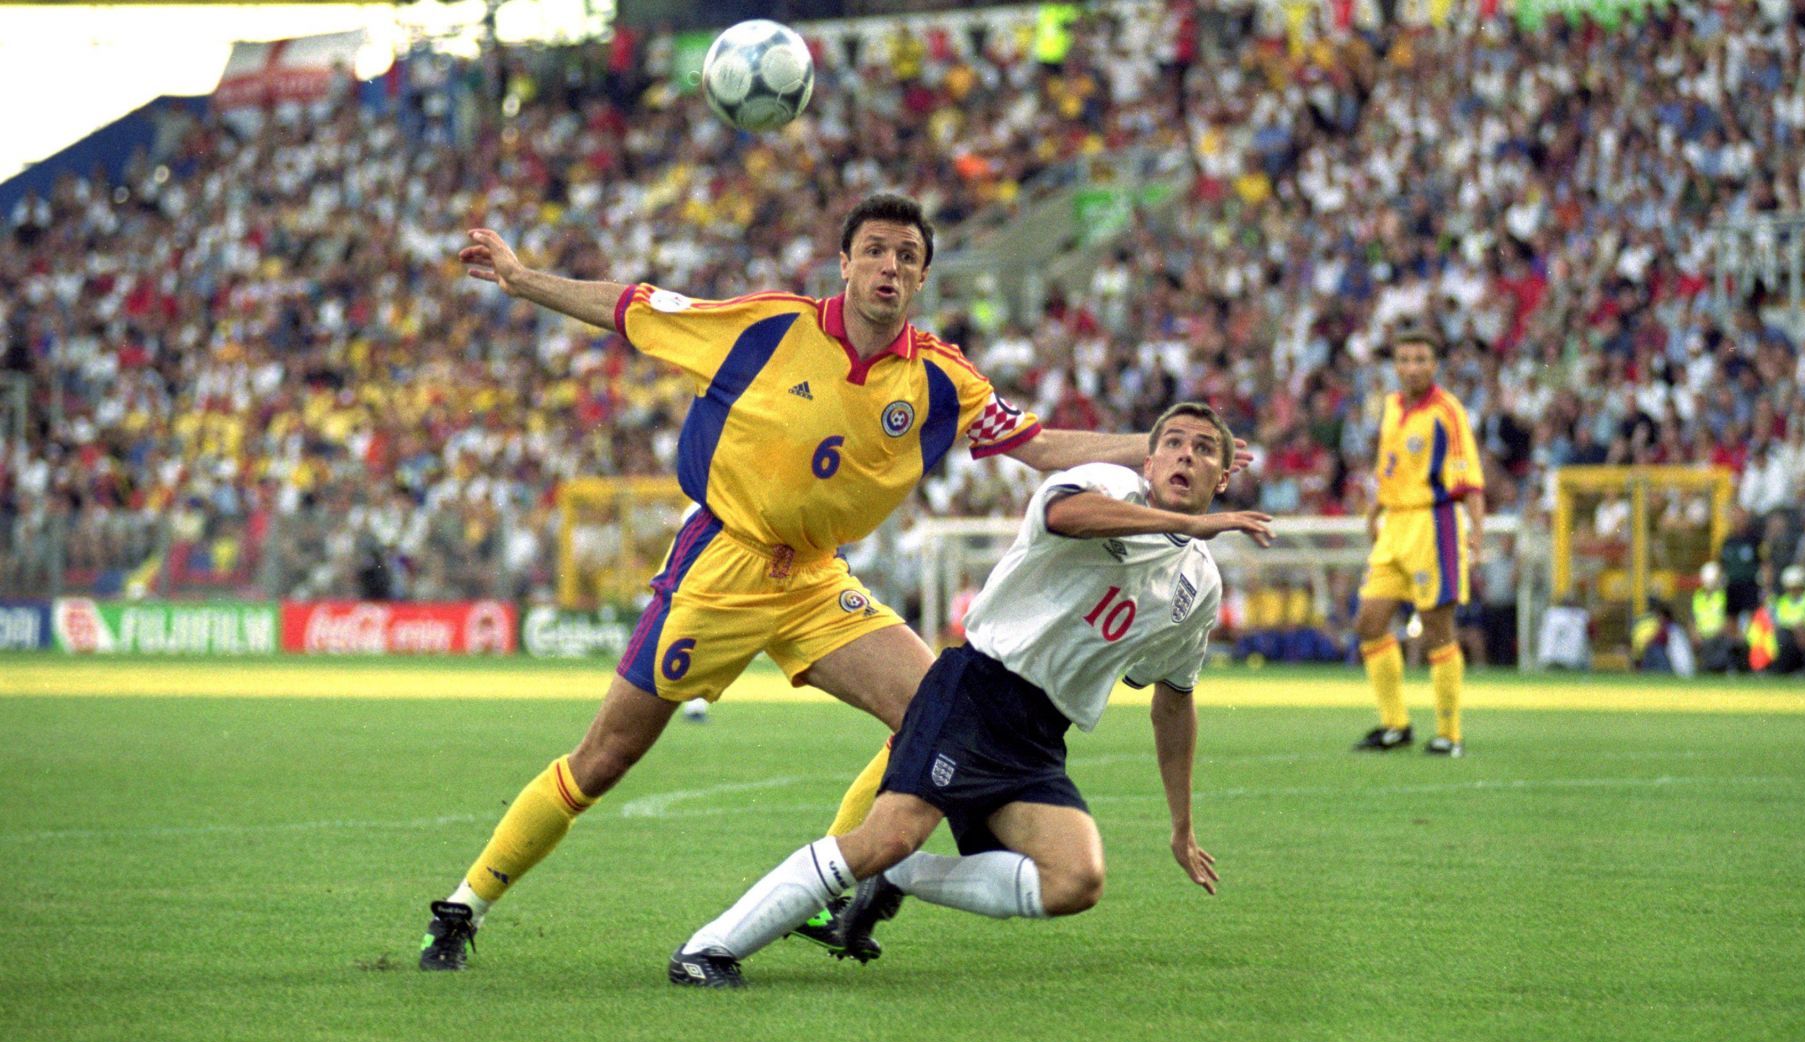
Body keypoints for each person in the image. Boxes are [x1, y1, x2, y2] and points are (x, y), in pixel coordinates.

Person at [419, 193, 1223, 970]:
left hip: (814, 579)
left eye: (907, 257)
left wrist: (1152, 451)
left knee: (932, 709)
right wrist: (524, 280)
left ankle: (837, 884)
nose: (890, 266)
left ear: (921, 279)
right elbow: (632, 307)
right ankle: (464, 905)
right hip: (722, 562)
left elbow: (1044, 448)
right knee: (604, 757)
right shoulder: (771, 325)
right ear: (844, 263)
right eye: (874, 249)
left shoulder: (941, 378)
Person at [664, 402, 1272, 987]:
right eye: (1172, 442)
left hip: (1039, 734)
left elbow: (1173, 698)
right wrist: (1186, 524)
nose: (1185, 455)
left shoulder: (1199, 585)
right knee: (885, 835)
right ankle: (707, 949)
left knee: (1075, 880)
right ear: (1148, 461)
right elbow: (1064, 516)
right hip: (975, 691)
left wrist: (1182, 826)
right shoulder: (1109, 484)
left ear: (1223, 478)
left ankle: (900, 876)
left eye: (1204, 449)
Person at [1352, 332, 1484, 758]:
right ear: (1395, 365)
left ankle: (1450, 733)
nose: (1412, 367)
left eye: (1421, 359)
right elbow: (1388, 464)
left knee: (1437, 632)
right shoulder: (1392, 406)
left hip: (1434, 523)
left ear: (1435, 365)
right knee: (1369, 622)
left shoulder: (1449, 412)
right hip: (1393, 525)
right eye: (1405, 359)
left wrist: (1476, 535)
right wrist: (1375, 510)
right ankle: (1395, 725)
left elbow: (1470, 481)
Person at [1690, 561, 1744, 674]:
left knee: (1728, 643)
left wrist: (1719, 632)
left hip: (1720, 636)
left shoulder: (1724, 596)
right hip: (1703, 638)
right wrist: (1695, 634)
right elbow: (1692, 620)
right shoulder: (1697, 597)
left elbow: (1730, 620)